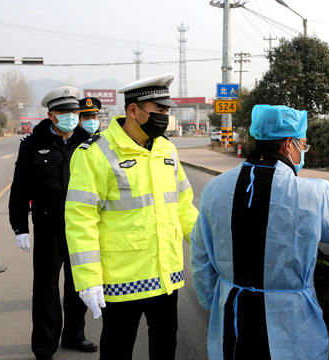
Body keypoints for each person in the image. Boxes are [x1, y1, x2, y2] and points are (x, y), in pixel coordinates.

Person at [190, 104, 329, 359]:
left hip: (233, 319)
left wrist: (216, 301)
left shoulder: (215, 189)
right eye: (303, 145)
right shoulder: (312, 194)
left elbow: (200, 257)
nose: (303, 152)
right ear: (289, 145)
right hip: (288, 327)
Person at [64, 73, 199, 360]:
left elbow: (184, 206)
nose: (165, 116)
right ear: (133, 110)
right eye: (159, 110)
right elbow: (80, 219)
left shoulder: (167, 149)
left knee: (165, 348)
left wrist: (208, 251)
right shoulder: (95, 154)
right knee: (117, 350)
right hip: (122, 279)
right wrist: (88, 279)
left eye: (167, 111)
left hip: (166, 275)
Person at [8, 86, 96, 360]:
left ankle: (74, 335)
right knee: (46, 289)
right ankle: (45, 345)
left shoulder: (90, 142)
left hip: (82, 227)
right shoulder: (32, 144)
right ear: (51, 114)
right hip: (48, 227)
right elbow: (20, 188)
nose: (71, 116)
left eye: (74, 111)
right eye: (64, 112)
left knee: (78, 284)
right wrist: (20, 226)